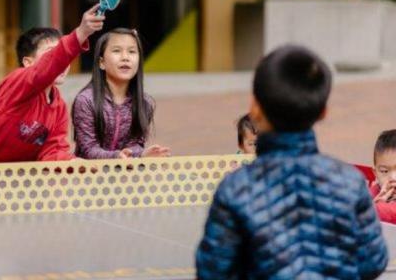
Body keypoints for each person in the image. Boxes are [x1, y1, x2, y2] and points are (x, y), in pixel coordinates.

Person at [196, 45, 388, 279]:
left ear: (255, 107)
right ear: (323, 113)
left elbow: (212, 272)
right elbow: (374, 261)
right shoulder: (350, 182)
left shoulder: (236, 189)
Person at [0, 4, 104, 164]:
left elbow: (52, 151)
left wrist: (72, 163)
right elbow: (46, 68)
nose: (63, 63)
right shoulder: (18, 81)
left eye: (63, 58)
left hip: (14, 178)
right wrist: (81, 33)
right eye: (51, 52)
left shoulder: (58, 107)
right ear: (28, 62)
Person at [72, 28, 170, 159]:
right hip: (90, 175)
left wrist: (142, 154)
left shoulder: (145, 102)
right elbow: (88, 150)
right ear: (101, 63)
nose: (125, 57)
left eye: (132, 51)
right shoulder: (86, 100)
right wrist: (116, 156)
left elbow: (135, 145)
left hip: (124, 175)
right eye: (117, 51)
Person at [369, 129, 396, 224]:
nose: (393, 178)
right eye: (384, 171)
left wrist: (372, 207)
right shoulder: (377, 189)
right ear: (375, 173)